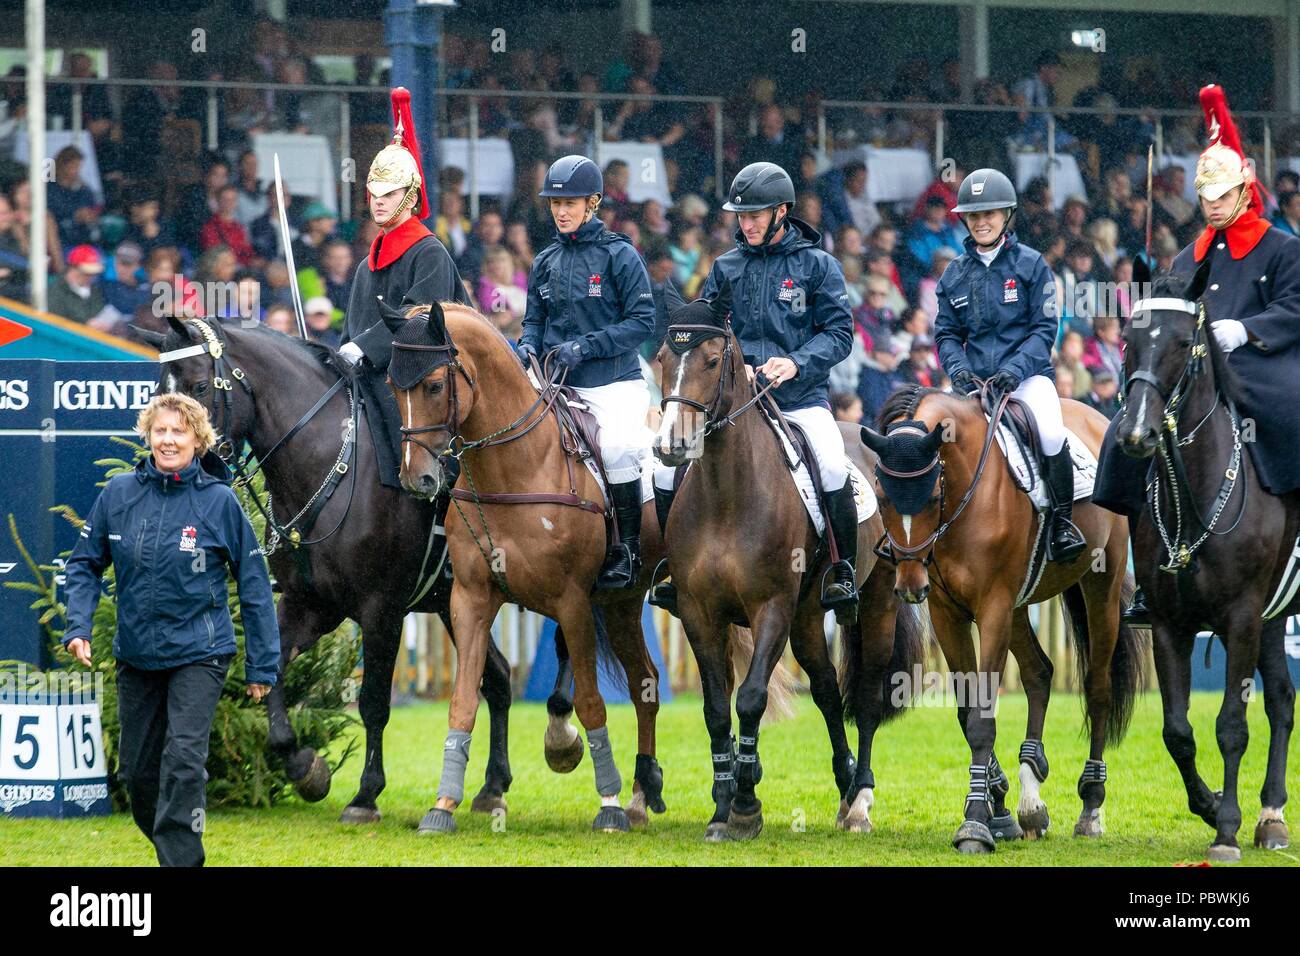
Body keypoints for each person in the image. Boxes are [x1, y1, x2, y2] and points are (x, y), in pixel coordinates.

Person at [1094, 84, 1300, 625]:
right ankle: (1145, 566)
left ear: (1244, 190)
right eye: (1206, 196)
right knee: (1127, 430)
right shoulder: (1188, 256)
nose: (1213, 204)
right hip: (1197, 376)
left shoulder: (1282, 247)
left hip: (1263, 365)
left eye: (1222, 194)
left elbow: (1296, 306)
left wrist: (1246, 331)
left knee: (1291, 414)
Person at [61, 392, 279, 866]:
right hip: (137, 655)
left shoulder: (218, 502)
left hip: (201, 653)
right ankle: (173, 844)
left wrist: (263, 664)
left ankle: (181, 862)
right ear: (148, 436)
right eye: (160, 430)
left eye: (179, 431)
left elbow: (255, 584)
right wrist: (77, 625)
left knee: (182, 762)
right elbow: (83, 565)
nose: (167, 439)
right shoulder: (119, 494)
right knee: (137, 775)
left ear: (198, 440)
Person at [655, 161, 859, 620]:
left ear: (781, 212)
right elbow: (706, 333)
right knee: (666, 469)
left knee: (829, 464)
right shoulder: (726, 267)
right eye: (740, 217)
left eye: (755, 216)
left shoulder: (817, 266)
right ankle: (673, 568)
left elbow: (840, 332)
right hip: (732, 405)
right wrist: (735, 364)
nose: (745, 224)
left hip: (799, 400)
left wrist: (795, 362)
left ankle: (840, 571)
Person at [934, 167, 1087, 564]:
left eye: (990, 214)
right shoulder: (954, 275)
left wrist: (1014, 371)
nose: (981, 222)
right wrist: (959, 371)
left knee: (1052, 434)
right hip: (973, 384)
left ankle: (1061, 524)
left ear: (1006, 216)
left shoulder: (1033, 265)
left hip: (1026, 380)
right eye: (974, 215)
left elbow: (1044, 329)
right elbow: (946, 334)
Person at [518, 154, 656, 589]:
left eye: (570, 203)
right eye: (555, 204)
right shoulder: (544, 260)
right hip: (557, 383)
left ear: (592, 202)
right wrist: (525, 346)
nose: (561, 212)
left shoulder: (620, 254)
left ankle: (627, 550)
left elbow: (642, 322)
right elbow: (534, 321)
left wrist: (587, 346)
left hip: (613, 384)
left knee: (615, 449)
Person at [339, 87, 469, 489]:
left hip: (421, 379)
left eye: (389, 194)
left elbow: (416, 323)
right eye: (373, 194)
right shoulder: (366, 263)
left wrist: (362, 349)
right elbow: (351, 330)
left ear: (410, 197)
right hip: (372, 375)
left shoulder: (428, 252)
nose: (378, 202)